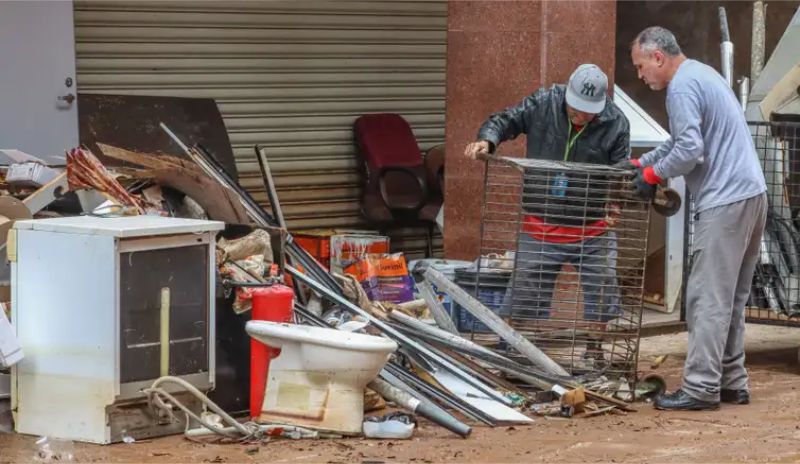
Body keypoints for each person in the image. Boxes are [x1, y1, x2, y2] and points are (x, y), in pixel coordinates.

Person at [629, 27, 767, 410]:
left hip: (726, 201)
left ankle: (701, 387)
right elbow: (680, 142)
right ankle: (731, 381)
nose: (640, 76)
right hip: (752, 195)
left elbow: (691, 149)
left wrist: (653, 177)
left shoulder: (681, 89)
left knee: (707, 298)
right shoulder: (702, 74)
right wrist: (644, 164)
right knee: (731, 299)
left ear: (658, 57)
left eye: (641, 67)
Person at [463, 64, 631, 341]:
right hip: (540, 226)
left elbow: (621, 171)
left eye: (589, 111)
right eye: (576, 108)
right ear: (567, 93)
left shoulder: (616, 122)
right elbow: (506, 120)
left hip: (593, 229)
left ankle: (595, 349)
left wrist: (616, 204)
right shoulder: (545, 102)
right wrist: (488, 140)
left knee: (602, 293)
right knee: (522, 297)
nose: (581, 116)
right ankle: (515, 350)